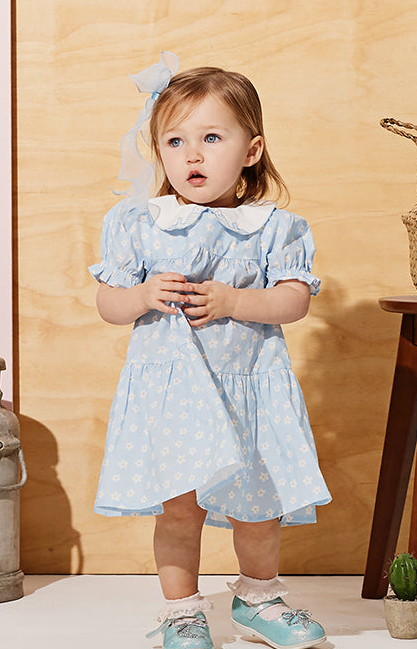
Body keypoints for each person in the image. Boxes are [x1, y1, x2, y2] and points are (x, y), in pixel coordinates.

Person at [89, 53, 331, 649]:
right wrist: (143, 293)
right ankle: (182, 612)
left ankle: (258, 598)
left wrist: (233, 303)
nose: (191, 155)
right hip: (174, 395)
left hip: (247, 387)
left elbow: (293, 301)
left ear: (251, 150)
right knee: (177, 512)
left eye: (211, 137)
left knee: (259, 508)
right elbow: (108, 303)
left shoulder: (275, 227)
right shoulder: (139, 223)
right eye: (174, 140)